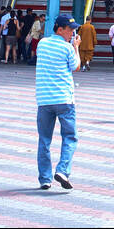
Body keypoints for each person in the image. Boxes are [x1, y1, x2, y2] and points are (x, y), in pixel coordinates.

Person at [35, 13, 80, 190]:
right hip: (64, 100)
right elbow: (75, 66)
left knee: (44, 139)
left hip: (44, 100)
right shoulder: (67, 48)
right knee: (70, 137)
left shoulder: (42, 44)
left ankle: (45, 178)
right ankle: (62, 170)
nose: (72, 33)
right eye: (70, 30)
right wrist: (75, 47)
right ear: (60, 29)